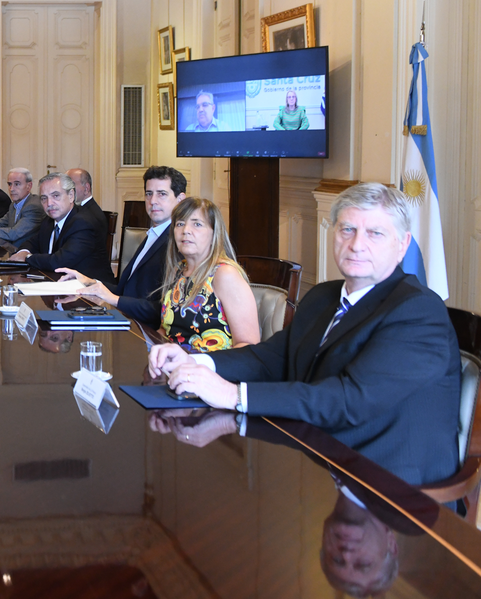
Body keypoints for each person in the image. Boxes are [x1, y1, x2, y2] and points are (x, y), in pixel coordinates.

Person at [147, 183, 461, 486]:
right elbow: (271, 358)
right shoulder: (323, 296)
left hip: (386, 486)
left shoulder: (417, 310)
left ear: (403, 244)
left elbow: (350, 400)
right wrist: (196, 361)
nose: (356, 244)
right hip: (312, 458)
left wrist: (233, 395)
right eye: (347, 229)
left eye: (375, 233)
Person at [58, 166, 186, 328]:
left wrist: (114, 300)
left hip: (146, 332)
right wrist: (88, 282)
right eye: (149, 193)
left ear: (180, 199)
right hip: (128, 322)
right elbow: (126, 290)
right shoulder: (154, 235)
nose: (153, 200)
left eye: (161, 194)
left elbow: (165, 310)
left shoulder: (180, 243)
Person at [156, 197, 259, 351]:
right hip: (174, 362)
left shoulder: (224, 274)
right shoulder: (178, 271)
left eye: (197, 224)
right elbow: (166, 331)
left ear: (214, 234)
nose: (186, 230)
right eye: (180, 224)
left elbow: (249, 346)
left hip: (214, 364)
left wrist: (198, 363)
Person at [8, 173, 113, 282]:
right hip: (57, 282)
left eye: (56, 196)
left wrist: (27, 257)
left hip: (91, 288)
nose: (49, 203)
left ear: (71, 195)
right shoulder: (49, 221)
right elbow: (32, 242)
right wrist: (22, 252)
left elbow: (59, 262)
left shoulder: (83, 222)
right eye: (44, 198)